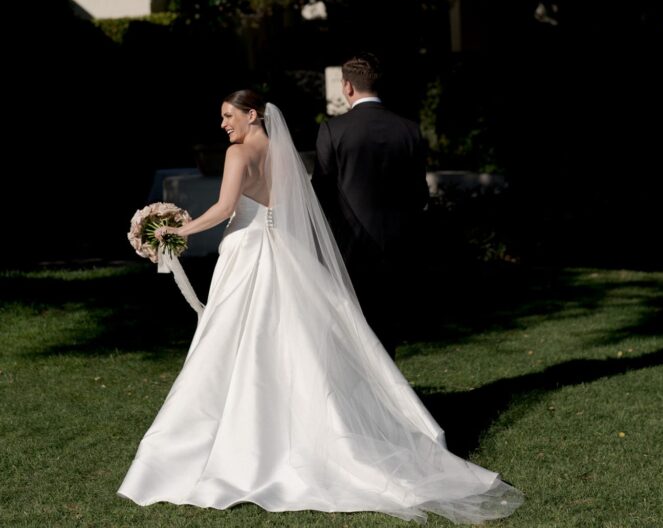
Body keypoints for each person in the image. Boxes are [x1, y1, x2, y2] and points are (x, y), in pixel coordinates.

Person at [118, 89, 523, 522]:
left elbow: (225, 207)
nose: (223, 124)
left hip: (248, 253)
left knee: (232, 345)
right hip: (283, 253)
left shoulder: (238, 154)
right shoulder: (281, 151)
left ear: (251, 114)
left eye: (228, 115)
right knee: (293, 344)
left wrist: (178, 232)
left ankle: (241, 444)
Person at [312, 53, 429, 358]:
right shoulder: (409, 129)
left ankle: (361, 403)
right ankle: (390, 399)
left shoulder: (332, 130)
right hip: (399, 244)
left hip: (349, 246)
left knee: (351, 331)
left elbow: (321, 192)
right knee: (387, 330)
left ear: (347, 87)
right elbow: (420, 194)